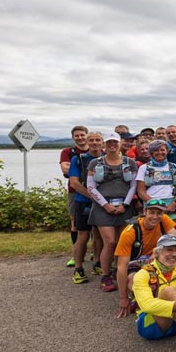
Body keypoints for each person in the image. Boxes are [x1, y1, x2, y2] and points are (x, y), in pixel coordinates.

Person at [86, 132, 138, 292]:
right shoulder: (95, 163)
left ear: (120, 143)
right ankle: (106, 275)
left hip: (125, 207)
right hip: (103, 208)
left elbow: (134, 186)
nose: (112, 146)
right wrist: (105, 205)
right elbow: (90, 187)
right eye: (109, 143)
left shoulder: (130, 163)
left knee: (124, 242)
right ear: (104, 145)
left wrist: (125, 204)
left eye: (114, 142)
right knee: (109, 242)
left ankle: (120, 269)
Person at [115, 200, 176, 318]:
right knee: (135, 281)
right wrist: (122, 298)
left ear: (163, 214)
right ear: (144, 212)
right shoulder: (129, 232)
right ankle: (140, 298)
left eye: (159, 213)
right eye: (152, 212)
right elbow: (121, 267)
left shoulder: (164, 220)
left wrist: (158, 254)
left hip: (156, 261)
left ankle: (163, 300)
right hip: (135, 265)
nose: (155, 217)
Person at [68, 131, 105, 284]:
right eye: (92, 140)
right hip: (83, 201)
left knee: (99, 235)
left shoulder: (107, 158)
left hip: (103, 203)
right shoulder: (78, 159)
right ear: (87, 142)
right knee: (83, 236)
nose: (95, 142)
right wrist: (94, 197)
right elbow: (74, 183)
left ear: (102, 142)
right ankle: (78, 268)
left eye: (98, 140)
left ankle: (97, 263)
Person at [61, 125, 89, 267]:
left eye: (82, 135)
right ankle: (77, 255)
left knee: (96, 227)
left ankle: (95, 256)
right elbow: (65, 169)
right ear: (73, 137)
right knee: (75, 223)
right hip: (74, 191)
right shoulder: (68, 152)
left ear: (87, 135)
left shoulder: (94, 150)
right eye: (77, 135)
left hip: (96, 193)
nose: (80, 138)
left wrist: (75, 170)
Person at [135, 139, 176, 220]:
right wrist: (157, 205)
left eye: (162, 150)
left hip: (170, 203)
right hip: (151, 203)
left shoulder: (174, 167)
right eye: (156, 150)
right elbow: (141, 191)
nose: (159, 152)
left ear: (167, 151)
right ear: (151, 152)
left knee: (172, 231)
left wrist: (174, 204)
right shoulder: (144, 168)